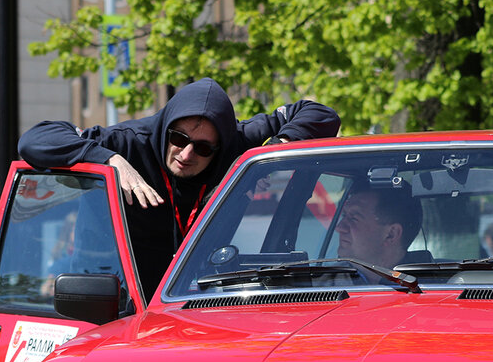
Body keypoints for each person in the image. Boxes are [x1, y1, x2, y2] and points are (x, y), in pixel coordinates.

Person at [18, 78, 340, 297]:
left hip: (193, 307)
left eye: (202, 148)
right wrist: (108, 159)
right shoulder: (127, 143)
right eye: (179, 139)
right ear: (167, 128)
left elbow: (321, 114)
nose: (187, 154)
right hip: (112, 306)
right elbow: (34, 140)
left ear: (220, 145)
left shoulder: (237, 144)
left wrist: (270, 153)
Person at [334, 182, 423, 269]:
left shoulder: (431, 281)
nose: (339, 228)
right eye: (344, 215)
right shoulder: (324, 282)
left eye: (354, 218)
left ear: (391, 234)